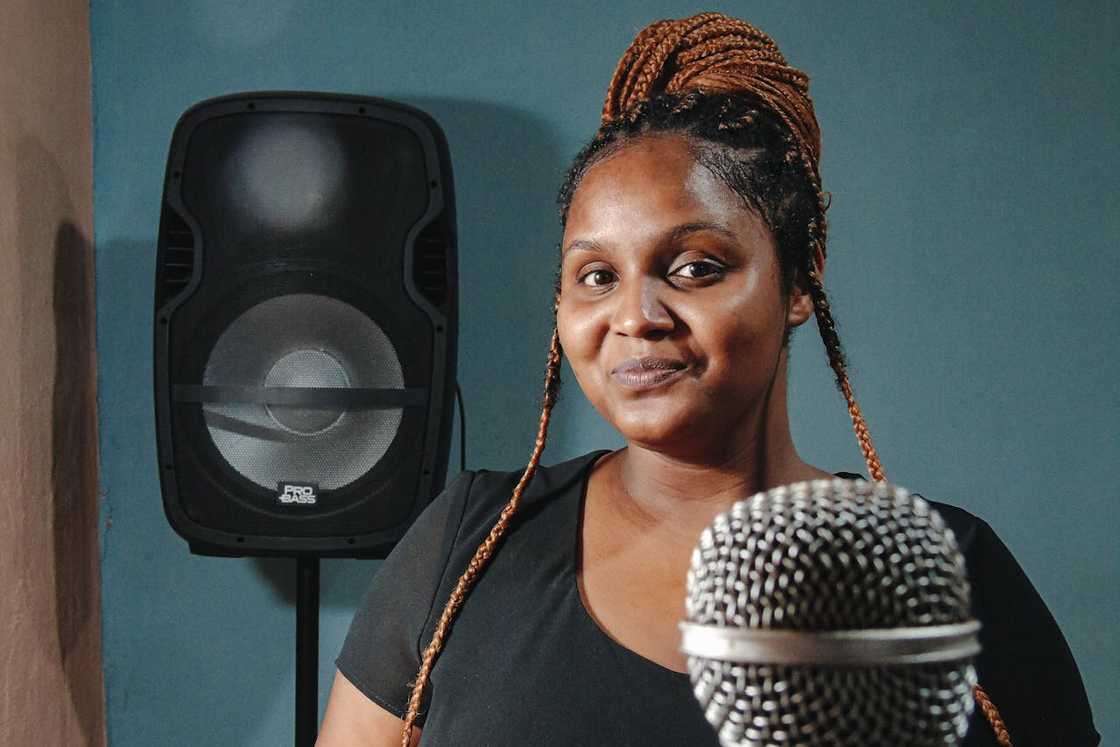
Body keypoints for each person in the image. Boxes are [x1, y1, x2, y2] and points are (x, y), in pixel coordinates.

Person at [317, 12, 1099, 747]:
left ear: (800, 280)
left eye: (695, 266)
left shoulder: (951, 573)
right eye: (595, 275)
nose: (635, 314)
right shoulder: (464, 549)